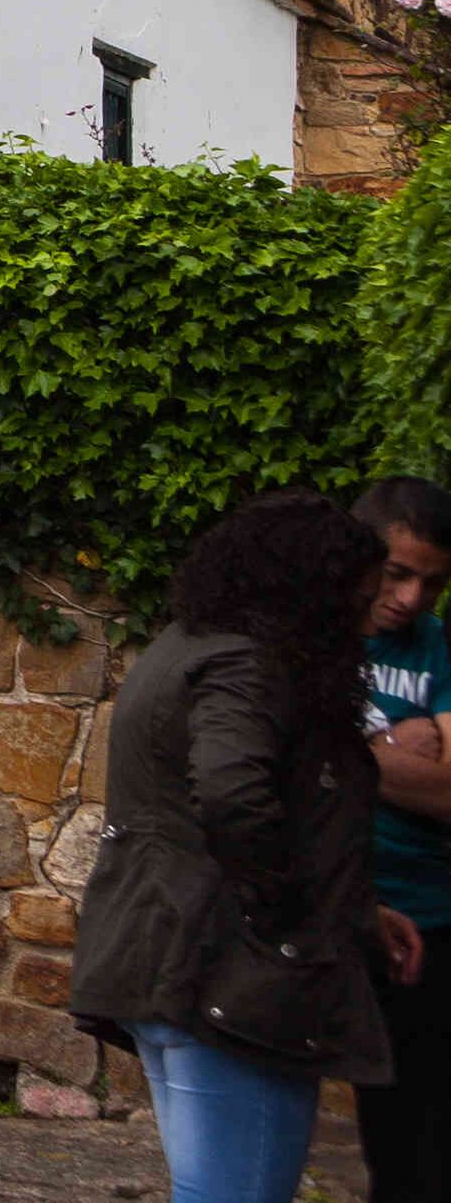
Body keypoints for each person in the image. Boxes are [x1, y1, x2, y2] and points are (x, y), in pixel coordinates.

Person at [74, 487, 424, 1203]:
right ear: (310, 590)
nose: (364, 617)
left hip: (169, 958)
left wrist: (356, 909)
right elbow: (233, 798)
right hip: (224, 973)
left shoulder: (190, 643)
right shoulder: (247, 662)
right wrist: (292, 915)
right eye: (353, 598)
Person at [359, 479, 451, 1202]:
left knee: (414, 1149)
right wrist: (393, 742)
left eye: (434, 582)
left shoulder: (437, 646)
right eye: (399, 572)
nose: (414, 598)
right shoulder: (312, 633)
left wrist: (345, 749)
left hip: (427, 916)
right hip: (330, 904)